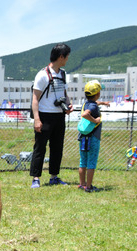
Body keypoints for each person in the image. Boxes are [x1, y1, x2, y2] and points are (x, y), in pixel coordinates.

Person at [29, 43, 73, 188]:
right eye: (66, 56)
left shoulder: (63, 74)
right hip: (44, 115)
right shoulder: (42, 75)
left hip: (59, 116)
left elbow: (64, 93)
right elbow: (35, 98)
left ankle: (54, 176)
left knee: (57, 147)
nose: (67, 59)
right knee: (40, 147)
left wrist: (68, 104)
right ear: (61, 57)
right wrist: (37, 119)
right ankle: (36, 178)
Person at [78, 80, 109, 192]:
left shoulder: (86, 104)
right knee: (91, 162)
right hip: (93, 138)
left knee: (83, 161)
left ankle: (82, 184)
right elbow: (85, 114)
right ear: (97, 94)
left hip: (83, 137)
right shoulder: (93, 107)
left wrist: (103, 103)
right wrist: (95, 120)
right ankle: (89, 187)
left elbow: (92, 105)